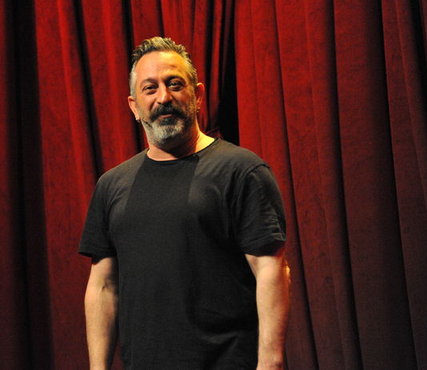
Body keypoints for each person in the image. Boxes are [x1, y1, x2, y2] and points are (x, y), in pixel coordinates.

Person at [79, 37, 290, 369]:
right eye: (150, 88)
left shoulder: (241, 171)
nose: (164, 97)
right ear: (134, 106)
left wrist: (270, 363)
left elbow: (271, 269)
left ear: (198, 95)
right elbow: (103, 286)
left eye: (174, 84)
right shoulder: (112, 185)